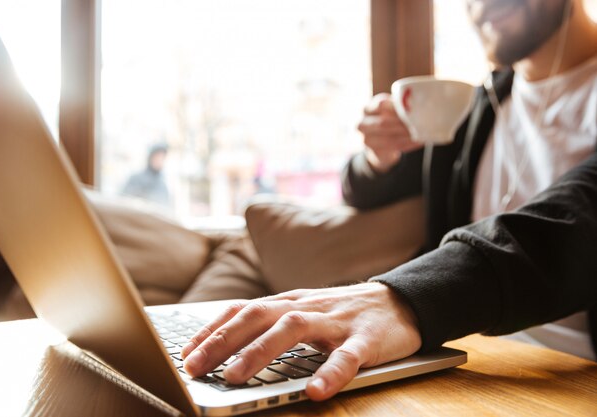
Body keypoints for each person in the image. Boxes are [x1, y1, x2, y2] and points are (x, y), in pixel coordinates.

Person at [180, 0, 597, 401]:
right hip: (461, 357)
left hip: (575, 372)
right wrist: (380, 156)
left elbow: (579, 215)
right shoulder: (477, 107)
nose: (481, 4)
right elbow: (363, 190)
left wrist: (408, 297)